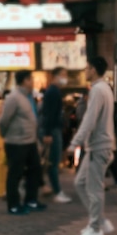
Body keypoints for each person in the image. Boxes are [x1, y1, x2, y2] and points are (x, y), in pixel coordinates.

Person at [67, 56, 116, 235]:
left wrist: (74, 143)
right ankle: (99, 221)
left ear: (93, 70)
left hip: (98, 146)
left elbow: (89, 119)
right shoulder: (104, 89)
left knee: (94, 189)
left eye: (87, 68)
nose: (84, 71)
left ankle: (96, 229)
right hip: (98, 146)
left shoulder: (98, 90)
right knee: (80, 183)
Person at [0, 71, 47, 215]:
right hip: (16, 142)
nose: (33, 82)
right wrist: (5, 134)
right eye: (31, 79)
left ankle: (31, 200)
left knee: (35, 170)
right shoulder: (14, 98)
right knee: (15, 173)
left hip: (30, 141)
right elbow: (3, 120)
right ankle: (13, 204)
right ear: (25, 81)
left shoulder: (27, 97)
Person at [41, 67, 72, 204]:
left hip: (52, 130)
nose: (65, 78)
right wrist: (48, 133)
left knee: (50, 162)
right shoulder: (53, 92)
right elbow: (49, 114)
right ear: (55, 76)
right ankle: (57, 191)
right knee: (53, 162)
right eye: (63, 75)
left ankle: (44, 187)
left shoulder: (53, 92)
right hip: (52, 130)